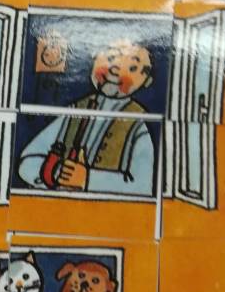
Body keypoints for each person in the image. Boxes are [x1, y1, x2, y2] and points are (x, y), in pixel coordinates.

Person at [17, 39, 156, 197]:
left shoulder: (138, 125)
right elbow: (26, 161)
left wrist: (87, 179)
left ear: (146, 81)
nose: (115, 69)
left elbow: (142, 186)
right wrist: (56, 171)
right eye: (111, 58)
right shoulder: (76, 110)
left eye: (132, 67)